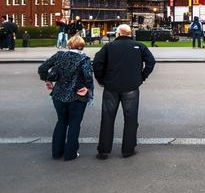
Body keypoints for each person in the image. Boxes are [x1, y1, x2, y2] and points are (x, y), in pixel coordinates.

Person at [93, 24, 155, 159]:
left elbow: (97, 63)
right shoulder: (139, 46)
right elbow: (151, 61)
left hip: (111, 87)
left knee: (107, 118)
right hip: (131, 86)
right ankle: (128, 148)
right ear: (130, 33)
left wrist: (101, 79)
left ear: (118, 34)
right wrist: (142, 76)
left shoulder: (109, 47)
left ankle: (104, 149)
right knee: (131, 118)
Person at [37, 35, 93, 161]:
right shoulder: (84, 59)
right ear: (82, 46)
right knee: (74, 124)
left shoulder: (59, 55)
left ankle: (56, 152)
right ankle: (70, 153)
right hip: (77, 96)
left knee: (61, 122)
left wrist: (47, 80)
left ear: (69, 45)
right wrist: (87, 88)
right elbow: (88, 76)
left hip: (58, 95)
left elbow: (42, 68)